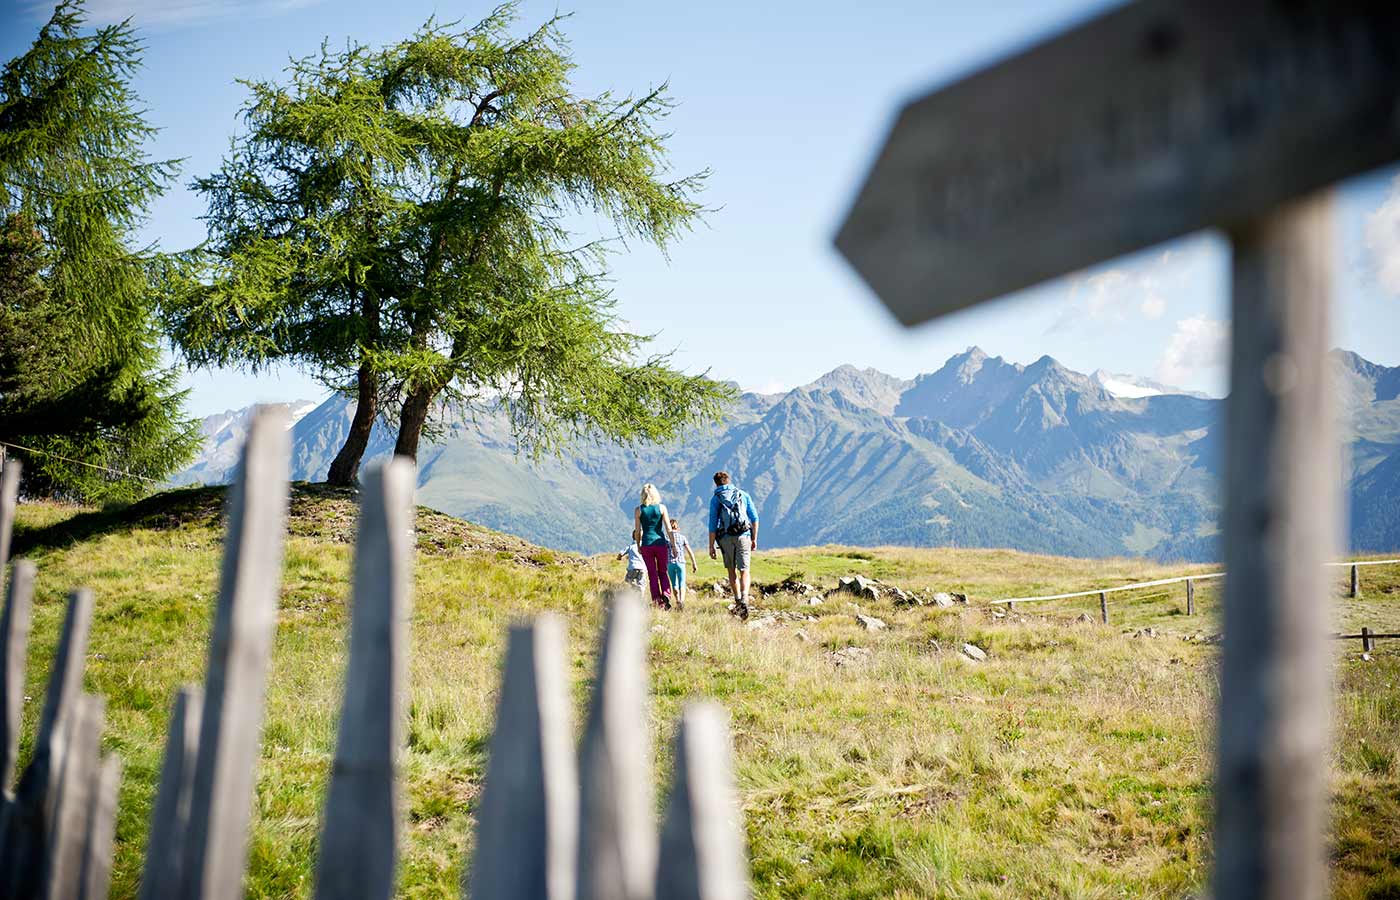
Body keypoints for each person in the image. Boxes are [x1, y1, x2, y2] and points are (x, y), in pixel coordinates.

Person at [707, 471, 759, 618]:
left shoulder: (715, 499)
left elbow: (712, 524)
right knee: (745, 570)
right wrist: (754, 538)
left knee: (731, 570)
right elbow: (754, 518)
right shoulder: (743, 494)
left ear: (716, 483)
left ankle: (737, 601)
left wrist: (711, 546)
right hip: (744, 535)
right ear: (729, 480)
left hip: (725, 538)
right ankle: (744, 598)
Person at [633, 483, 676, 608]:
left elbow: (637, 531)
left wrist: (638, 545)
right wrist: (673, 546)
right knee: (663, 571)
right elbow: (669, 528)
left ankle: (658, 602)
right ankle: (666, 594)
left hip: (647, 544)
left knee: (652, 575)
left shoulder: (639, 510)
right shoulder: (662, 508)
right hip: (660, 543)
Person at [667, 518, 699, 611]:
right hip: (681, 563)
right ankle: (681, 601)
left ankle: (677, 600)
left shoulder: (666, 539)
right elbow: (689, 551)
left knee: (674, 584)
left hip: (670, 564)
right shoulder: (682, 537)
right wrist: (694, 563)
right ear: (677, 527)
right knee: (682, 583)